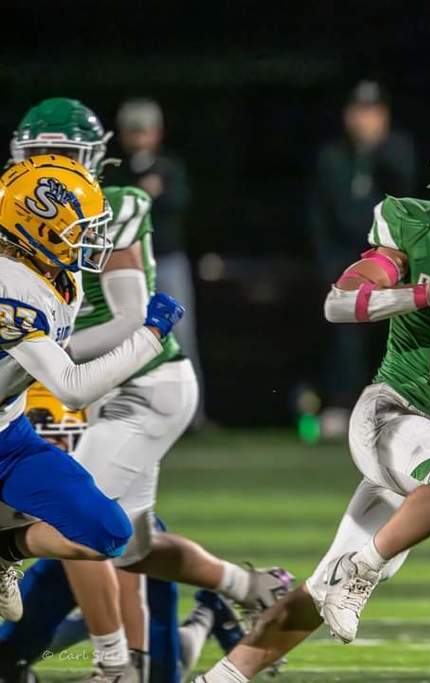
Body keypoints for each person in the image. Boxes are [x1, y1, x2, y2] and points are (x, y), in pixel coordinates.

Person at [193, 123, 430, 683]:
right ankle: (365, 568)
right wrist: (429, 292)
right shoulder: (413, 223)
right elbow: (339, 303)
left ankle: (222, 677)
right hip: (390, 414)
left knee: (320, 588)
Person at [10, 98, 293, 683]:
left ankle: (116, 666)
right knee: (130, 542)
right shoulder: (15, 222)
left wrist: (42, 354)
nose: (55, 173)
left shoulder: (107, 209)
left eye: (67, 156)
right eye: (45, 157)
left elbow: (130, 321)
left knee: (85, 527)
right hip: (80, 385)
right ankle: (243, 589)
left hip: (140, 380)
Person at [0, 154, 182, 624]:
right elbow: (72, 388)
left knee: (106, 532)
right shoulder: (8, 285)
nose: (90, 238)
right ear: (37, 228)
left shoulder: (54, 273)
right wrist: (149, 335)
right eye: (79, 227)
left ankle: (3, 552)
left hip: (9, 433)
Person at [0, 383, 245, 683]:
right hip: (56, 548)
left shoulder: (88, 397)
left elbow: (113, 539)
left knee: (157, 675)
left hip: (118, 549)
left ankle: (207, 615)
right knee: (7, 660)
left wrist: (117, 662)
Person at [308, 80, 418, 438]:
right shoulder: (332, 157)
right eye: (359, 111)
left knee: (394, 331)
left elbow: (408, 201)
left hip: (389, 258)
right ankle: (343, 405)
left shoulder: (397, 151)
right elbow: (319, 214)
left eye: (372, 112)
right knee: (344, 335)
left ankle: (395, 407)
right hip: (345, 259)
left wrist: (404, 261)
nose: (364, 119)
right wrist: (327, 262)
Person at [104, 98, 206, 429]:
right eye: (132, 131)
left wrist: (141, 196)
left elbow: (179, 203)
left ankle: (191, 415)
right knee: (124, 336)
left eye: (143, 131)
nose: (138, 138)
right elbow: (112, 209)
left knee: (180, 337)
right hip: (124, 264)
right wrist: (142, 192)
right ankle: (127, 409)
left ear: (157, 132)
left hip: (166, 260)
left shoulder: (168, 166)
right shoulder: (115, 169)